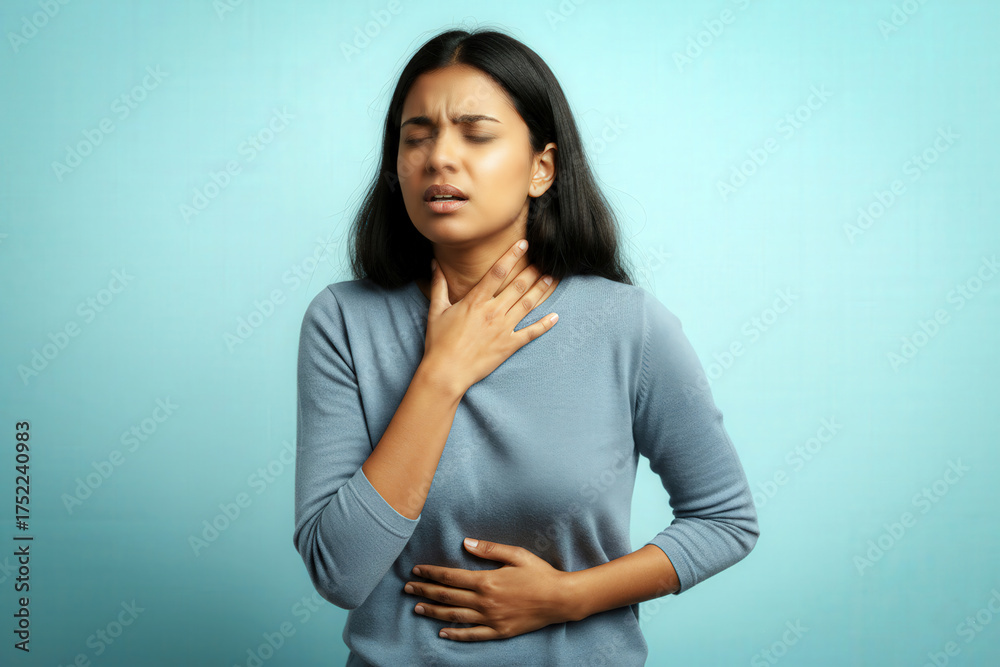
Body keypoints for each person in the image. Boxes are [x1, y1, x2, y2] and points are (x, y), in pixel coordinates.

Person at [293, 27, 759, 667]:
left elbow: (725, 520)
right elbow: (340, 572)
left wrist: (569, 597)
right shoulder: (344, 321)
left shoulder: (628, 326)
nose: (439, 158)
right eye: (416, 136)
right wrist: (441, 374)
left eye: (475, 134)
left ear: (542, 167)